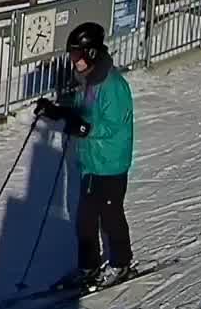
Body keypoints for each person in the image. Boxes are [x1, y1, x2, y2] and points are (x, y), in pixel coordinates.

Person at [35, 21, 136, 290]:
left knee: (111, 215)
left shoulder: (113, 85)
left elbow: (114, 125)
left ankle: (121, 262)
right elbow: (82, 112)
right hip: (92, 162)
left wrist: (85, 128)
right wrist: (57, 111)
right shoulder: (89, 81)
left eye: (76, 55)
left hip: (111, 163)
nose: (73, 61)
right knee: (86, 219)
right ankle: (88, 266)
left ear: (90, 53)